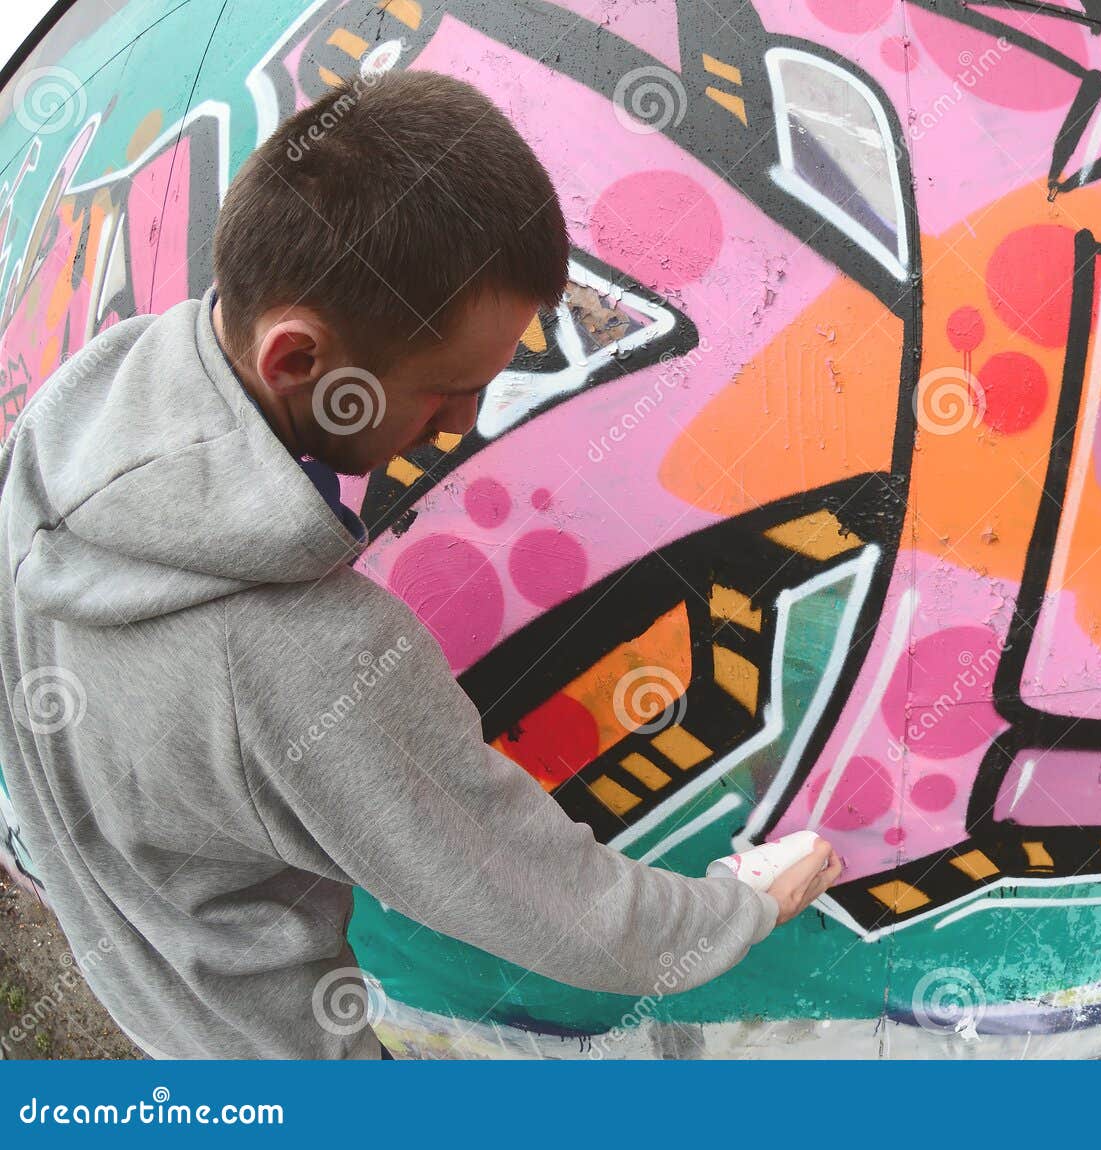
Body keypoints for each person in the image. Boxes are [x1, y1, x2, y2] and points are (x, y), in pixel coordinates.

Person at [0, 70, 839, 1060]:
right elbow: (544, 897)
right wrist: (738, 909)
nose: (464, 425)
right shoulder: (303, 656)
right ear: (294, 360)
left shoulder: (66, 438)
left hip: (148, 1001)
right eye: (446, 390)